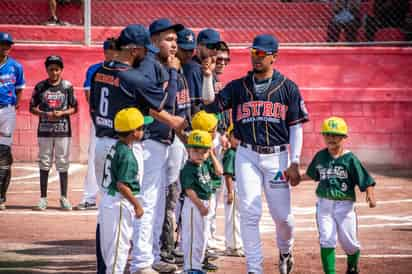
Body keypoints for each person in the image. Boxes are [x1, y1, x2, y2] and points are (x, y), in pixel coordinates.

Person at [202, 34, 309, 274]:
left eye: (261, 54)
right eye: (253, 53)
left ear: (274, 57)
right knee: (249, 211)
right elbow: (210, 104)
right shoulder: (239, 87)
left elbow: (296, 126)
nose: (256, 57)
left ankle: (285, 249)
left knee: (283, 218)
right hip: (247, 155)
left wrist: (294, 161)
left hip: (277, 156)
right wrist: (208, 77)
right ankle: (254, 269)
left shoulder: (288, 88)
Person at [90, 24, 185, 274]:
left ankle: (106, 266)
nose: (147, 54)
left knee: (108, 207)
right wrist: (173, 74)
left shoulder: (99, 71)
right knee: (125, 207)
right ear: (133, 50)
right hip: (123, 146)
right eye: (144, 49)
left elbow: (92, 107)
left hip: (101, 142)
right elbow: (164, 102)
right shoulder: (132, 77)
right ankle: (125, 266)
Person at [129, 18, 186, 274]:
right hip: (149, 139)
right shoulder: (150, 66)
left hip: (162, 141)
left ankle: (150, 255)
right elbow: (158, 102)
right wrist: (173, 72)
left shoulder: (160, 65)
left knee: (158, 203)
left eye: (175, 40)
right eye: (168, 39)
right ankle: (141, 261)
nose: (174, 45)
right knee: (148, 201)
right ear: (153, 41)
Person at [297, 116, 377, 274]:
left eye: (335, 135)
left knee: (350, 243)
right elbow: (313, 174)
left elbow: (365, 179)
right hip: (324, 205)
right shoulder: (320, 156)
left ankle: (352, 265)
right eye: (327, 135)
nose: (330, 138)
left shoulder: (350, 159)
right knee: (327, 239)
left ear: (343, 137)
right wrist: (296, 178)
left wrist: (370, 194)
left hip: (345, 206)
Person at [99, 107, 150, 273]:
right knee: (118, 254)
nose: (143, 130)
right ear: (133, 132)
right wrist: (137, 205)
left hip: (109, 201)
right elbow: (122, 185)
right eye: (141, 128)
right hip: (119, 204)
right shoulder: (127, 155)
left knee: (111, 253)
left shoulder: (116, 146)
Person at [30, 55, 78, 211]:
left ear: (61, 70)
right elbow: (32, 107)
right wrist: (44, 114)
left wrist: (62, 113)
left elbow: (74, 108)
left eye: (57, 69)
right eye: (51, 69)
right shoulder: (40, 87)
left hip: (63, 130)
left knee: (62, 162)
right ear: (46, 70)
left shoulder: (67, 86)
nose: (54, 72)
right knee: (44, 161)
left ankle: (64, 197)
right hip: (44, 131)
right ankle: (43, 198)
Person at [75, 38, 117, 211]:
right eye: (110, 50)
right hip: (100, 120)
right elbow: (88, 97)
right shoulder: (94, 70)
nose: (113, 53)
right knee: (94, 156)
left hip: (120, 122)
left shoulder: (123, 70)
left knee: (119, 157)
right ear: (105, 51)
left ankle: (116, 194)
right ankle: (90, 197)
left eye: (115, 50)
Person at [180, 129, 223, 274]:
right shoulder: (188, 168)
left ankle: (196, 266)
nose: (199, 155)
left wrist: (211, 154)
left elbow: (219, 172)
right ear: (188, 150)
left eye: (203, 151)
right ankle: (190, 267)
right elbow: (189, 190)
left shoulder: (205, 164)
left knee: (203, 237)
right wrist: (200, 206)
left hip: (204, 204)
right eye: (196, 151)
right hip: (194, 205)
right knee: (193, 236)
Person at [0, 32, 25, 211]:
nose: (6, 48)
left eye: (8, 45)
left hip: (7, 110)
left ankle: (1, 196)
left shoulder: (15, 66)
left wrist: (14, 106)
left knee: (3, 152)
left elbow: (19, 89)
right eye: (3, 44)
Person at [222, 124, 243, 257]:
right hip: (232, 187)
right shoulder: (231, 153)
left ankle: (234, 244)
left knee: (237, 216)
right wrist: (230, 192)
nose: (237, 140)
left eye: (240, 137)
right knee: (233, 217)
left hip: (237, 186)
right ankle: (233, 246)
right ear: (229, 138)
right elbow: (228, 174)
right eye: (235, 136)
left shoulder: (239, 152)